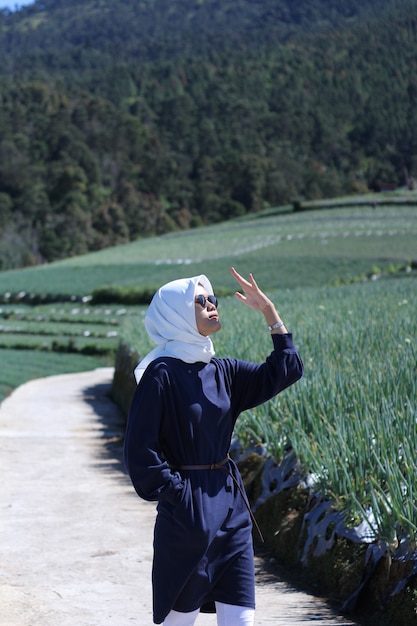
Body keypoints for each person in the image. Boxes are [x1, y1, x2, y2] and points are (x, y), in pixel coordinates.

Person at [124, 267, 303, 625]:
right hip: (188, 515)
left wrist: (270, 313)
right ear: (175, 314)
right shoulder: (161, 374)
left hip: (232, 509)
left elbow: (286, 370)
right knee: (180, 620)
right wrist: (178, 496)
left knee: (241, 618)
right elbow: (140, 449)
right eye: (199, 301)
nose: (211, 306)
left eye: (212, 299)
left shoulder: (224, 371)